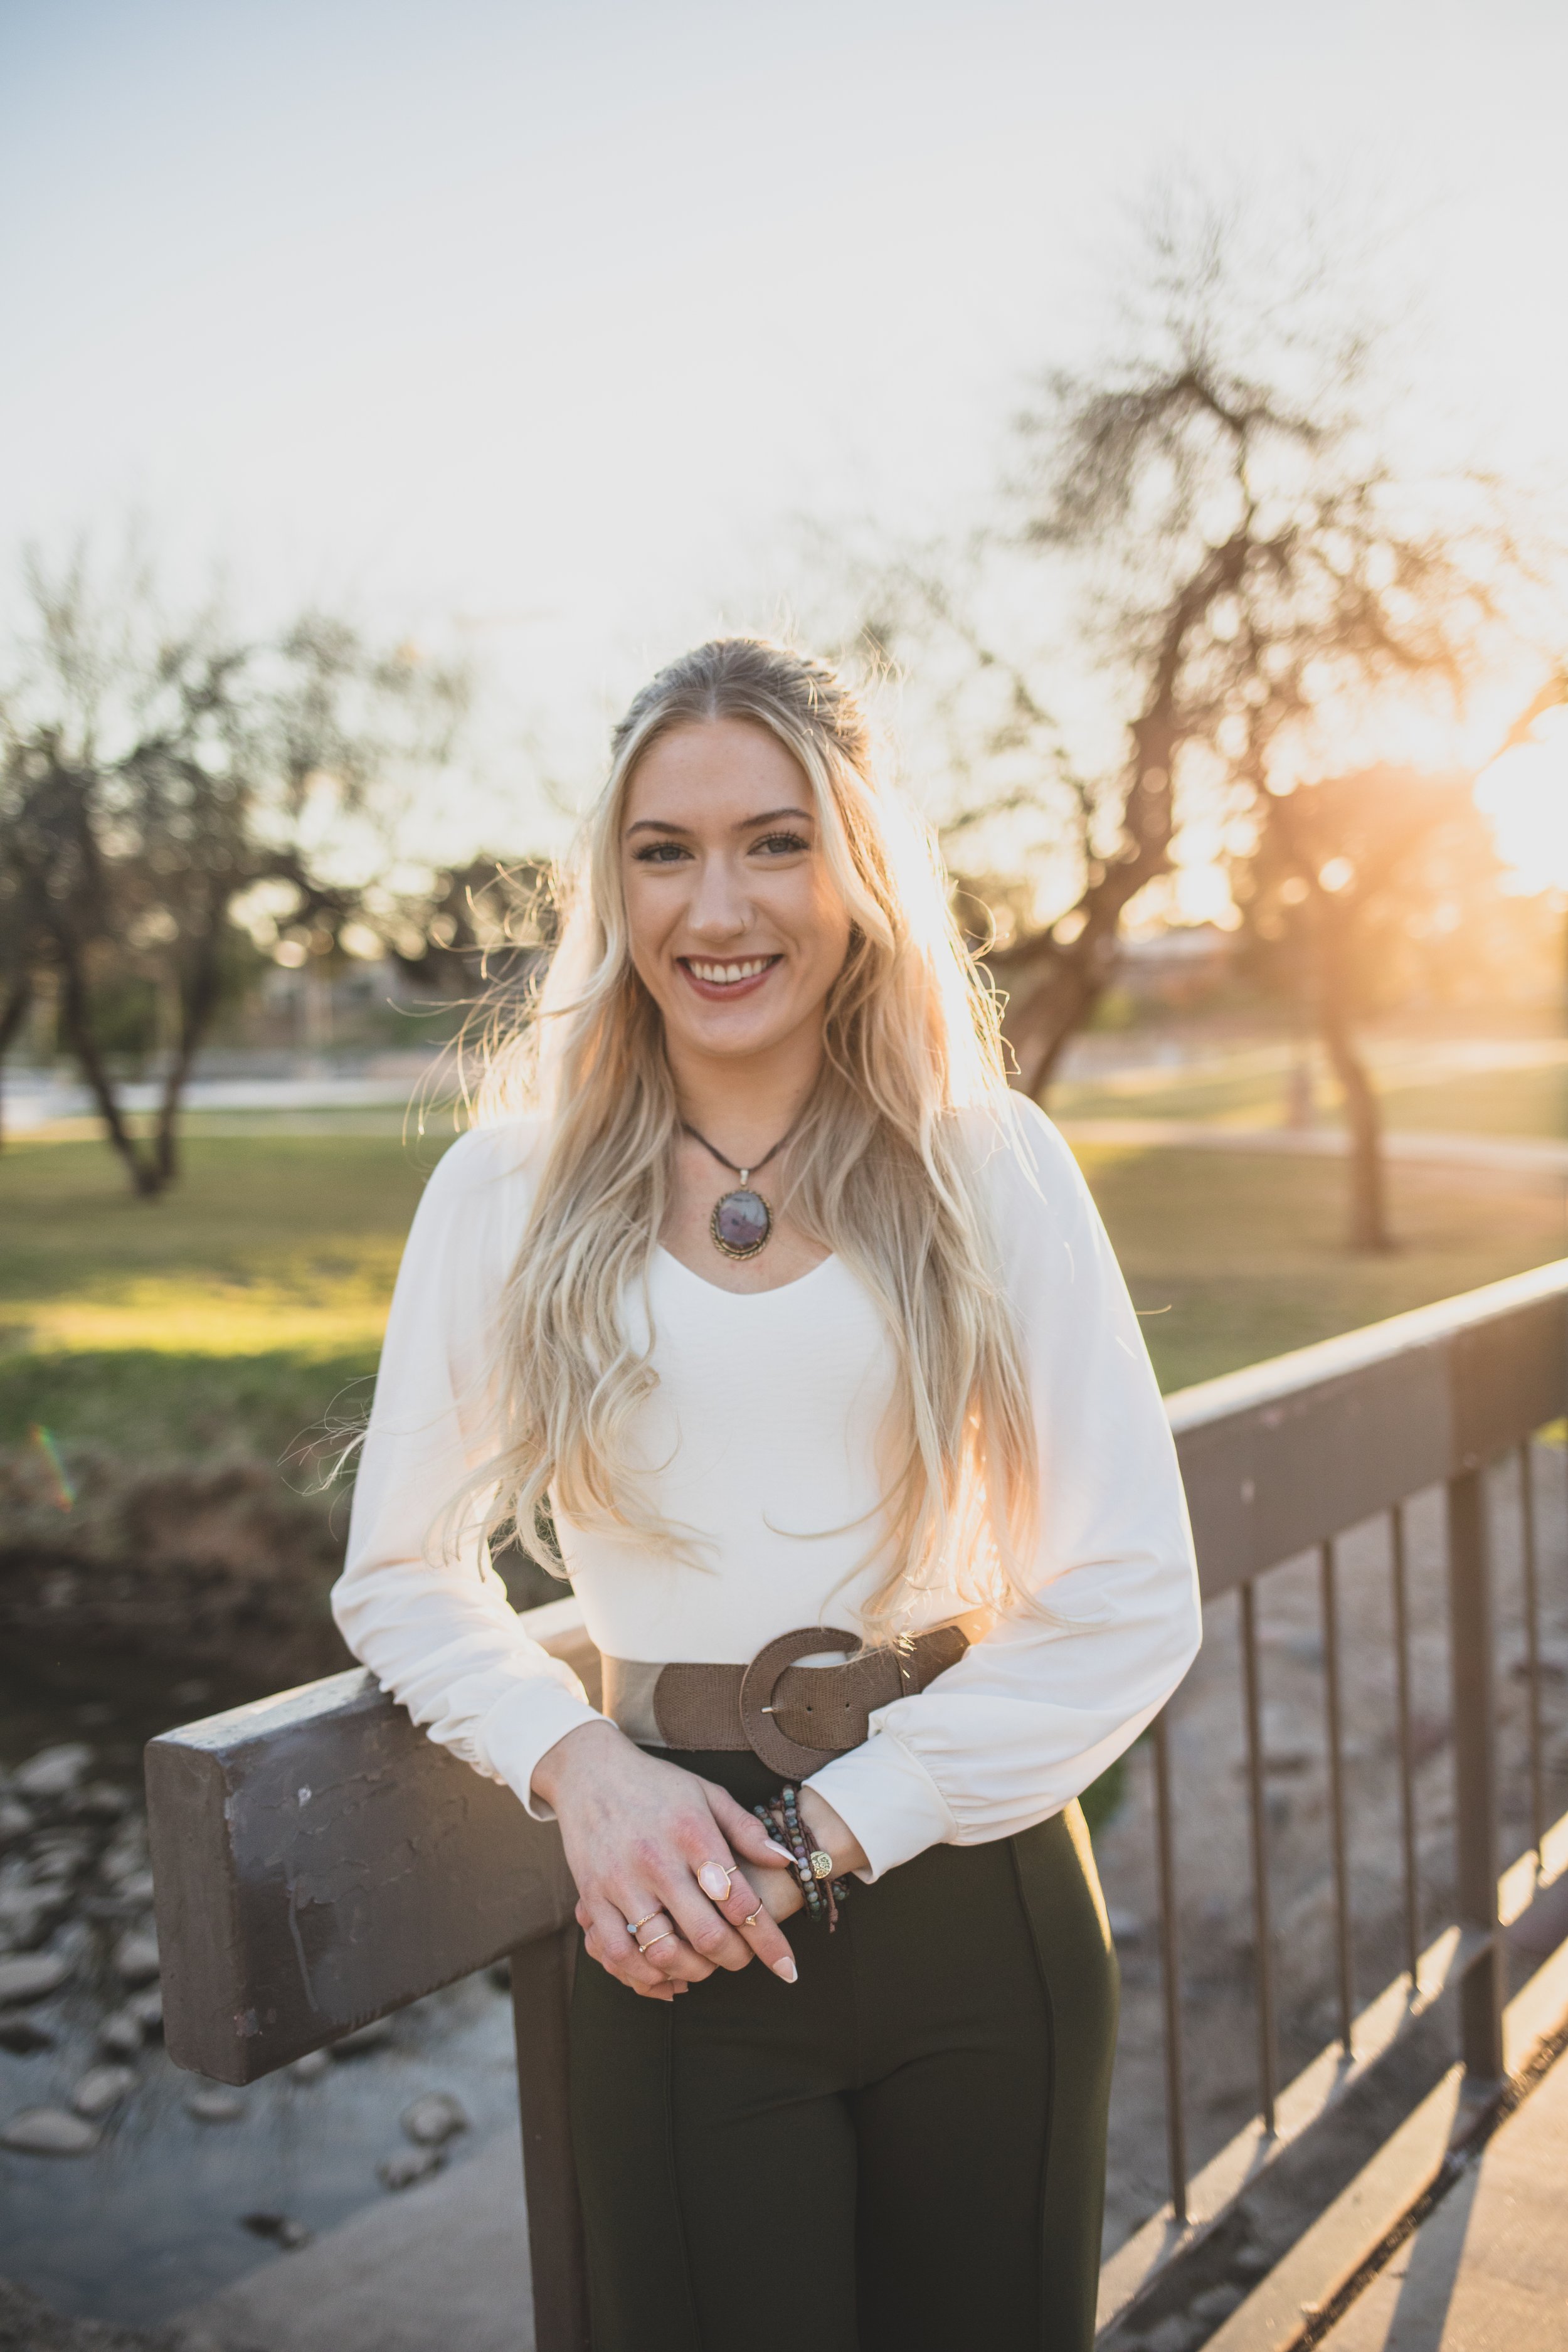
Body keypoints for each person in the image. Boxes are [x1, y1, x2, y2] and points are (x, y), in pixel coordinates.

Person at [333, 637, 1200, 2352]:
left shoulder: (985, 1165)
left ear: (857, 868)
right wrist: (576, 1765)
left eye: (775, 840)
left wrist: (828, 1836)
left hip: (973, 1879)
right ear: (613, 881)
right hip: (675, 1907)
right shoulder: (505, 1192)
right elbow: (403, 1577)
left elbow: (1122, 1590)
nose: (715, 907)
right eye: (664, 850)